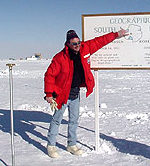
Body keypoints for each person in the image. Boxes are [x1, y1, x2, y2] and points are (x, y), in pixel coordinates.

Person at [44, 29, 128, 158]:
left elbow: (100, 41)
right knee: (57, 120)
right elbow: (49, 75)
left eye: (78, 42)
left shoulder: (85, 48)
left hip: (75, 93)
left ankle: (71, 144)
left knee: (74, 120)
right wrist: (49, 93)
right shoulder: (60, 57)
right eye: (74, 44)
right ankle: (51, 146)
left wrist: (116, 35)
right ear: (68, 44)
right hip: (62, 94)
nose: (77, 45)